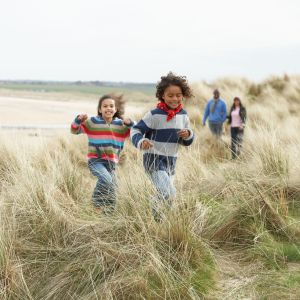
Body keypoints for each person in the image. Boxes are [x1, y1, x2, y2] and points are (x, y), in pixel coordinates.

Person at [131, 72, 194, 221]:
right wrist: (141, 142)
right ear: (162, 96)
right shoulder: (154, 115)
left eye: (178, 95)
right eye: (170, 95)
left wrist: (188, 135)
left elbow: (187, 140)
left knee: (167, 196)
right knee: (169, 193)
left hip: (171, 162)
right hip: (153, 160)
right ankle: (156, 218)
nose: (175, 99)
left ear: (183, 95)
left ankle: (163, 223)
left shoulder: (183, 116)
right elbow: (136, 130)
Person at [71, 94, 134, 214]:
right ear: (100, 109)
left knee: (113, 190)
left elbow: (136, 131)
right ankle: (96, 204)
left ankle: (108, 215)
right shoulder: (92, 123)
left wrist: (130, 123)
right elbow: (74, 130)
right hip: (96, 161)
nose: (108, 108)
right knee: (106, 179)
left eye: (111, 106)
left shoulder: (121, 125)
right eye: (105, 106)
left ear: (115, 110)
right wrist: (78, 120)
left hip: (112, 163)